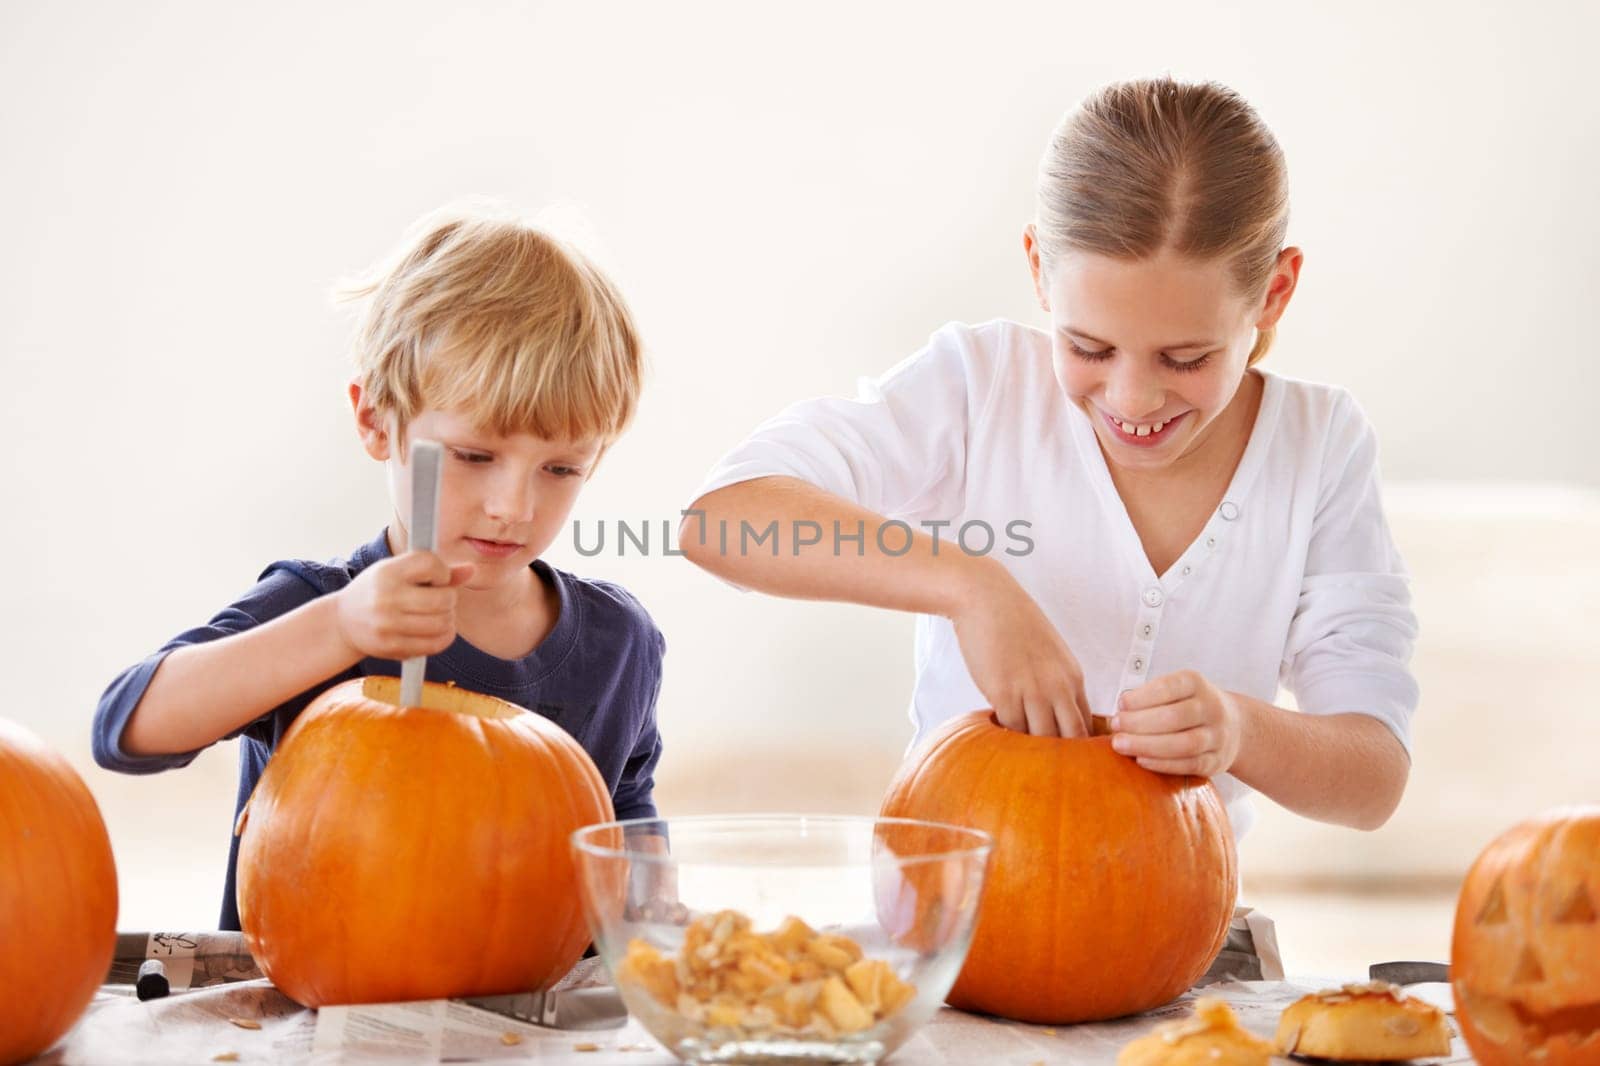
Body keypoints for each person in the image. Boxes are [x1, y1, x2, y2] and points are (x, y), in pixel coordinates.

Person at [682, 77, 1416, 840]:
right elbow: (722, 520)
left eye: (1186, 358)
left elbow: (1373, 781)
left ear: (1274, 293)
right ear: (1038, 268)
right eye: (1089, 346)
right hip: (955, 912)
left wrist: (1240, 730)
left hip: (1187, 930)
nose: (1132, 400)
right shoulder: (979, 388)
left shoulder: (1320, 443)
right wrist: (970, 585)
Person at [93, 207, 666, 929]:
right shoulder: (322, 605)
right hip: (313, 1009)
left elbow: (625, 812)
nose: (512, 507)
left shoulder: (620, 642)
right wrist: (336, 629)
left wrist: (655, 914)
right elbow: (126, 730)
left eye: (561, 468)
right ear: (375, 422)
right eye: (475, 456)